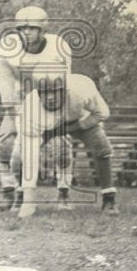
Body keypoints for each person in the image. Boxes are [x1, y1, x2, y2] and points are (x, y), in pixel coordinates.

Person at [0, 6, 71, 210]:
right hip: (20, 100)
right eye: (22, 27)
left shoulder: (59, 47)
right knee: (6, 143)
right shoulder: (6, 49)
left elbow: (65, 82)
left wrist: (59, 112)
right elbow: (4, 81)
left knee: (62, 143)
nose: (26, 32)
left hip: (50, 102)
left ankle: (63, 192)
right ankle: (11, 193)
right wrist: (12, 110)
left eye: (32, 27)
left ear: (43, 29)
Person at [12, 72, 118, 218]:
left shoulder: (81, 90)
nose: (50, 97)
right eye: (45, 93)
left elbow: (103, 113)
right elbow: (30, 155)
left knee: (102, 148)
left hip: (79, 118)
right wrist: (29, 201)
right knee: (19, 157)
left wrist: (74, 128)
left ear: (65, 91)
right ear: (37, 94)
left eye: (55, 92)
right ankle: (22, 194)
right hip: (46, 127)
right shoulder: (31, 110)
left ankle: (109, 198)